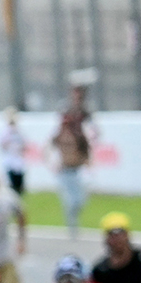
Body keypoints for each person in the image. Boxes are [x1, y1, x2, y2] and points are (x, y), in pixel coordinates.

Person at [53, 90, 95, 236]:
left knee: (80, 200)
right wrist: (53, 163)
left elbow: (86, 150)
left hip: (77, 170)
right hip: (65, 171)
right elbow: (48, 149)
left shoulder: (78, 136)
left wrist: (87, 161)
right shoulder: (58, 136)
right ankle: (72, 226)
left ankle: (74, 220)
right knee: (69, 201)